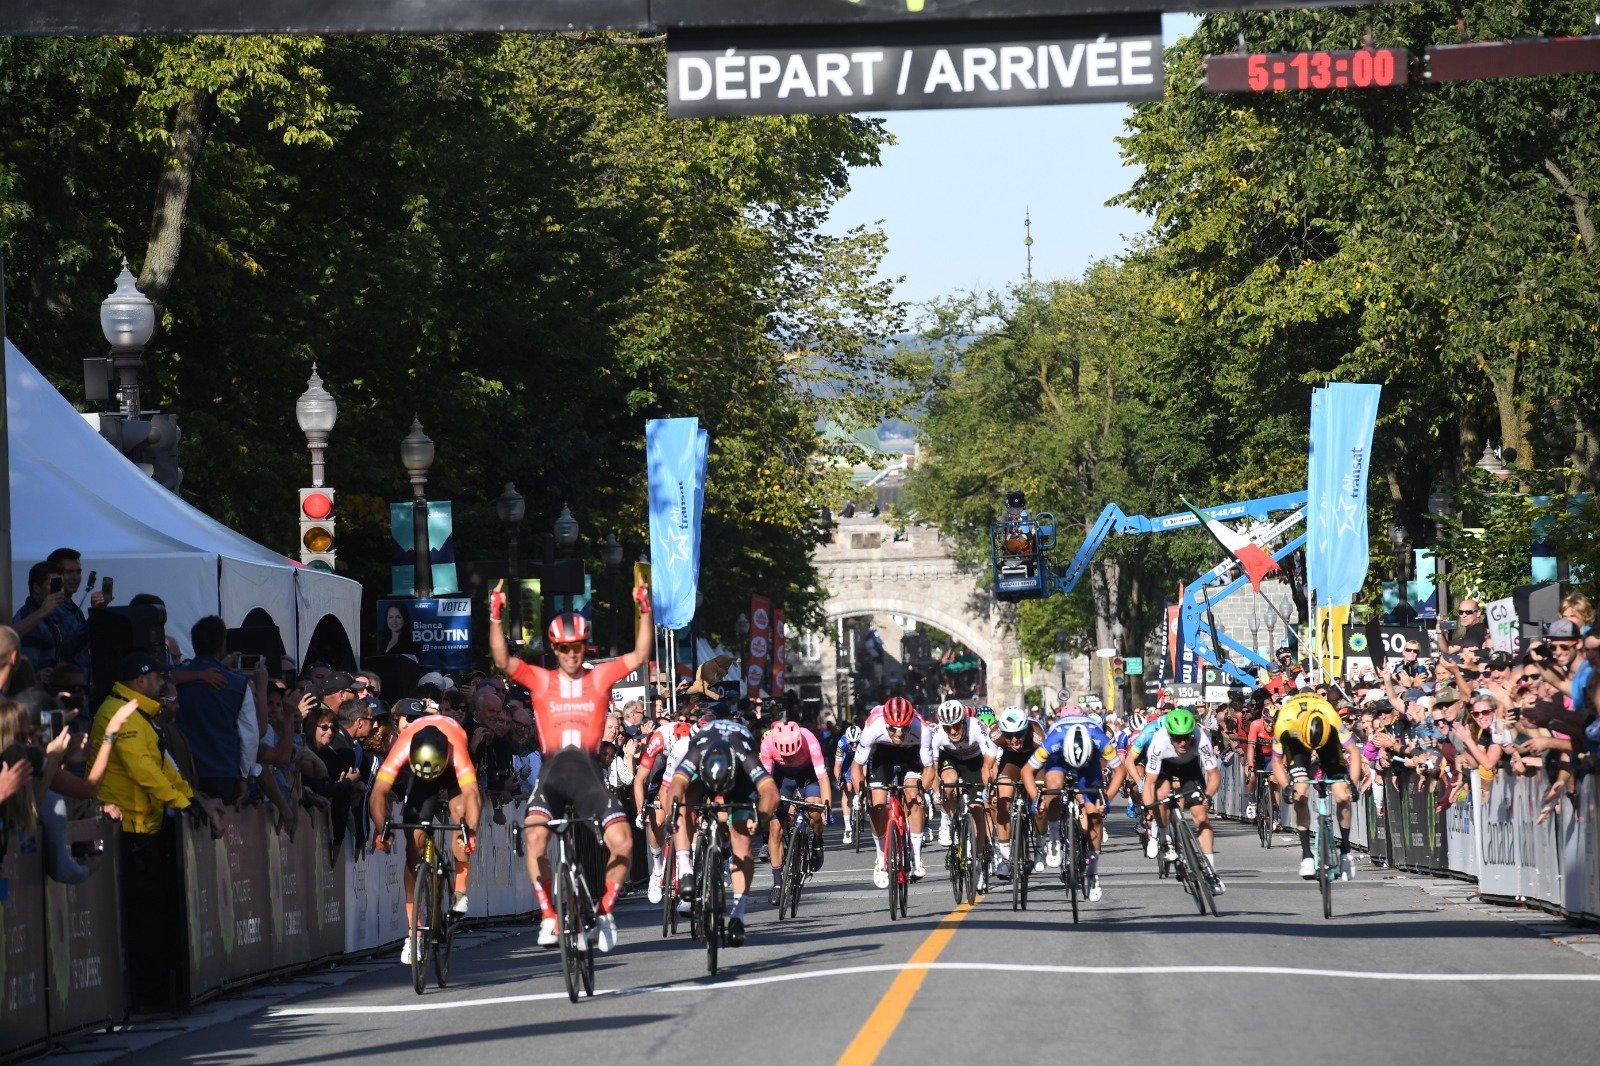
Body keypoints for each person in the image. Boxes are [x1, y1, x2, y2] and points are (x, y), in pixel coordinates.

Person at [487, 579, 654, 954]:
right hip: (552, 776)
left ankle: (606, 911)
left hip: (590, 776)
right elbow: (501, 661)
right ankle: (548, 915)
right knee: (534, 839)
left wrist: (644, 608)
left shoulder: (599, 678)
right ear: (555, 649)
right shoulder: (541, 681)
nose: (571, 655)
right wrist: (495, 615)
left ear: (584, 646)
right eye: (563, 649)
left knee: (623, 843)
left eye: (576, 648)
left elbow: (640, 654)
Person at [368, 713, 482, 964]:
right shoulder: (403, 745)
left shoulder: (456, 747)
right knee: (414, 845)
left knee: (460, 816)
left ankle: (460, 891)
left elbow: (472, 793)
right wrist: (381, 830)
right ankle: (413, 934)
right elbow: (379, 791)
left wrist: (470, 831)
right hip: (419, 778)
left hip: (451, 772)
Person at [1023, 705, 1118, 901]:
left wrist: (1106, 799)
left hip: (1088, 762)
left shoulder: (1098, 738)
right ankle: (1055, 833)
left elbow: (1121, 771)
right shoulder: (1053, 740)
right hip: (1059, 759)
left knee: (1094, 817)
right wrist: (1036, 800)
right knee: (1054, 786)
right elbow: (1027, 772)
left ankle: (1093, 872)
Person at [1270, 693, 1363, 881]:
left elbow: (1353, 751)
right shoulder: (1284, 725)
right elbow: (1277, 762)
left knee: (1343, 795)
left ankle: (1345, 851)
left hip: (1327, 739)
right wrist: (1287, 786)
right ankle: (1306, 855)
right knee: (1300, 793)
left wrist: (1353, 783)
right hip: (1297, 742)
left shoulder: (1332, 718)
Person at [175, 616, 263, 803]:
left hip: (182, 771)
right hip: (223, 772)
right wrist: (244, 778)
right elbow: (250, 737)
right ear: (222, 645)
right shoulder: (239, 685)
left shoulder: (175, 679)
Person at [1140, 707, 1224, 893]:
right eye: (1177, 738)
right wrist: (1149, 808)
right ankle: (1164, 836)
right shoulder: (1159, 742)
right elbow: (1149, 784)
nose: (1183, 742)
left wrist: (1208, 796)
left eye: (1187, 737)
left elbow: (1214, 775)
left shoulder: (1201, 738)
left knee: (1201, 816)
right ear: (1169, 735)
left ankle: (1210, 871)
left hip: (1189, 769)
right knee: (1160, 796)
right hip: (1165, 768)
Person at [852, 694, 931, 887]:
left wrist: (924, 792)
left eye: (903, 729)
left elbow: (929, 768)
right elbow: (857, 765)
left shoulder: (922, 729)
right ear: (886, 724)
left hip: (910, 755)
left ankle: (916, 855)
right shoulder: (873, 727)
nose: (898, 734)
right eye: (893, 730)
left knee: (913, 794)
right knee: (877, 804)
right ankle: (881, 858)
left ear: (909, 724)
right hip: (883, 756)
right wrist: (859, 793)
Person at [759, 718, 833, 905]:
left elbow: (823, 779)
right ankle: (777, 883)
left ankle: (817, 841)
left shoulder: (810, 740)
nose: (789, 758)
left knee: (815, 811)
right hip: (782, 778)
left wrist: (826, 808)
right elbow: (765, 783)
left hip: (808, 775)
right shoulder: (767, 744)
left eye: (792, 753)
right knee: (775, 828)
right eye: (785, 755)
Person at [833, 723, 863, 843]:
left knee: (861, 785)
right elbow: (837, 766)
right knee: (847, 790)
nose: (854, 745)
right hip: (847, 761)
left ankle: (861, 803)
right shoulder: (842, 743)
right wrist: (839, 779)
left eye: (856, 742)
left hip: (861, 759)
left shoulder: (864, 742)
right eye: (852, 743)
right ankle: (847, 828)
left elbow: (865, 767)